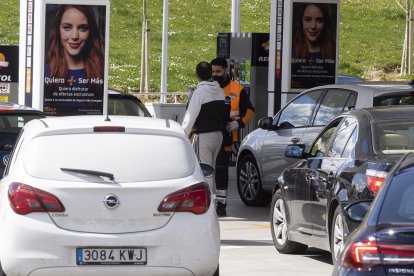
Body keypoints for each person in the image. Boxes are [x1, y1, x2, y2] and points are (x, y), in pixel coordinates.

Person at [210, 57, 255, 217]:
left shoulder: (237, 89)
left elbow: (249, 110)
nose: (215, 75)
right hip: (208, 137)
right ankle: (208, 204)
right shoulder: (208, 88)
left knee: (221, 171)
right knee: (207, 172)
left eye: (218, 71)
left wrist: (239, 123)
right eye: (213, 71)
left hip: (227, 137)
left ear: (226, 71)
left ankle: (221, 205)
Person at [44, 5, 105, 115]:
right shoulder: (45, 73)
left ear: (91, 31)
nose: (74, 36)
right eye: (67, 27)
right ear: (58, 30)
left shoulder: (101, 72)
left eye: (82, 28)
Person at [182, 61, 226, 195]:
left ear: (197, 75)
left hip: (204, 136)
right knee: (211, 169)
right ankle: (213, 200)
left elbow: (190, 116)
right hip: (218, 135)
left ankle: (208, 204)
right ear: (210, 73)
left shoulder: (199, 92)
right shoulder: (220, 90)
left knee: (205, 172)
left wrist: (183, 134)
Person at [291, 3, 336, 89]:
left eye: (319, 21)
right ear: (301, 22)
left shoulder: (332, 53)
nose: (313, 26)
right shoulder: (291, 53)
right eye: (307, 20)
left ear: (325, 23)